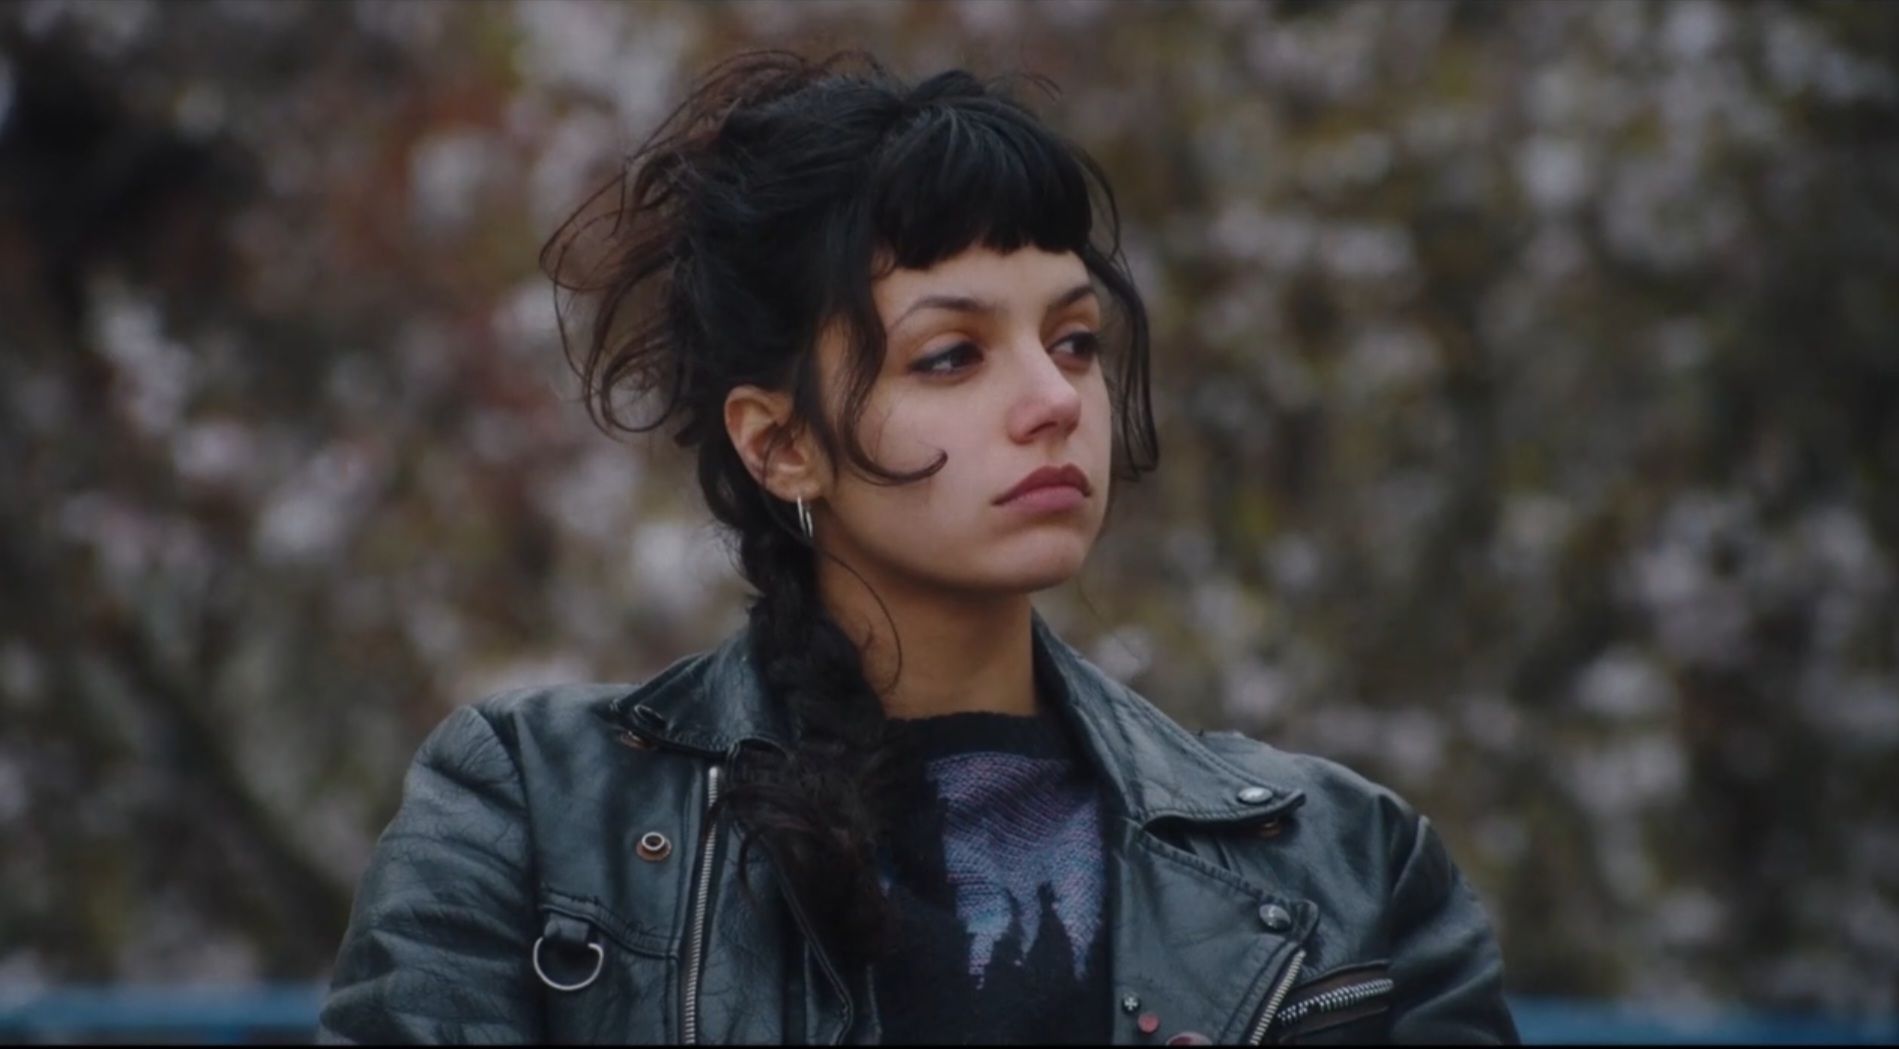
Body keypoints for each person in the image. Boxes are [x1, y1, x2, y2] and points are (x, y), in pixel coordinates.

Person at [317, 49, 1517, 1046]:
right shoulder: (534, 812)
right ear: (780, 443)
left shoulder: (1343, 864)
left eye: (1075, 340)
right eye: (951, 356)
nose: (1052, 399)